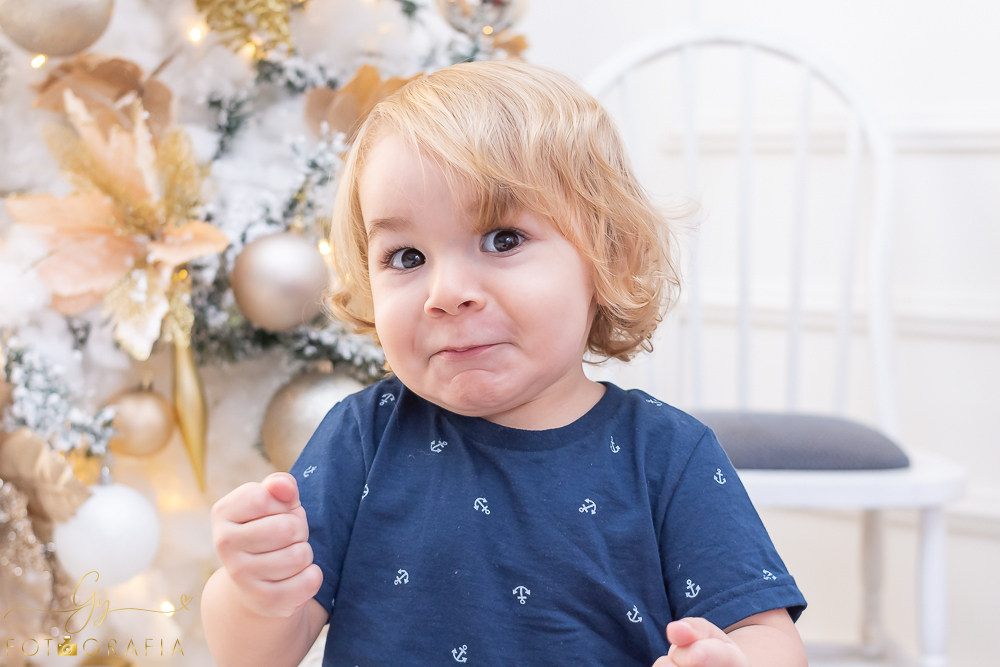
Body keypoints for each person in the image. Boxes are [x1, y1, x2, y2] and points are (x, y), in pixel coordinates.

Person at [202, 60, 808, 667]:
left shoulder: (668, 455)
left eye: (503, 240)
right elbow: (256, 654)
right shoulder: (363, 438)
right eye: (407, 256)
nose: (446, 292)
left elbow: (764, 634)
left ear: (606, 259)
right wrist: (257, 591)